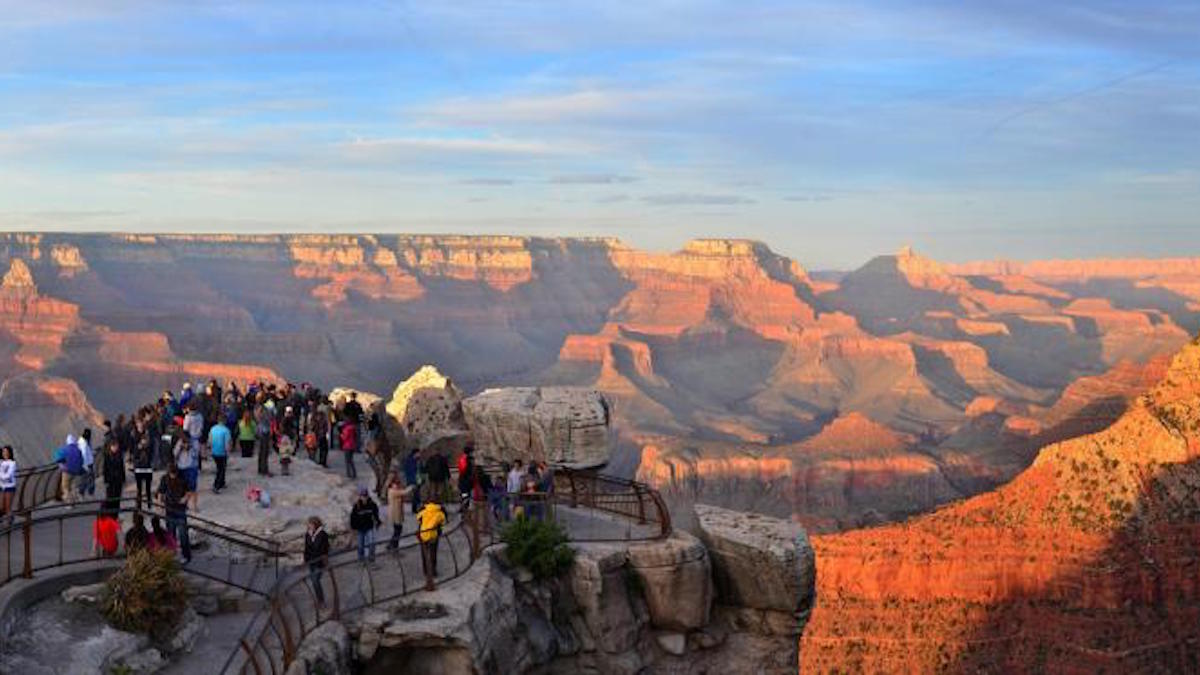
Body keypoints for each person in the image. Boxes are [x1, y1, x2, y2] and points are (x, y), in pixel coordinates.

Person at [157, 463, 191, 563]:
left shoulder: (183, 477)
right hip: (169, 509)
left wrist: (185, 499)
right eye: (171, 474)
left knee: (183, 534)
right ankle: (171, 554)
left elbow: (188, 491)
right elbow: (160, 492)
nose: (173, 476)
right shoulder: (164, 478)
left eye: (174, 474)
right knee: (171, 534)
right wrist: (160, 506)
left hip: (180, 510)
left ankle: (186, 555)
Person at [417, 498, 446, 589]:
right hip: (433, 535)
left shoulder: (423, 510)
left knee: (424, 553)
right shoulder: (439, 513)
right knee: (433, 553)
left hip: (423, 534)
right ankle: (433, 571)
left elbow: (418, 519)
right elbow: (443, 522)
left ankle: (425, 570)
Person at [303, 516, 330, 609]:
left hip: (319, 561)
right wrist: (305, 560)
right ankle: (319, 600)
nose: (309, 526)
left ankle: (321, 601)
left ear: (315, 524)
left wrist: (323, 558)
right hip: (311, 561)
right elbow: (306, 548)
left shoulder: (323, 534)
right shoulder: (308, 534)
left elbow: (325, 548)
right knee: (314, 581)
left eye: (310, 524)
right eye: (308, 524)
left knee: (315, 581)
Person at [349, 486, 381, 563]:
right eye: (363, 496)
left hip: (369, 527)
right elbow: (352, 518)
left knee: (372, 543)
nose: (364, 498)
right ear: (360, 497)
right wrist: (353, 528)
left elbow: (376, 515)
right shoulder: (356, 507)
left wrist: (378, 522)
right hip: (360, 529)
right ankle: (361, 559)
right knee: (360, 546)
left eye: (365, 496)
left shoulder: (372, 504)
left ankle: (371, 558)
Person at [172, 429, 199, 513]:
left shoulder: (194, 442)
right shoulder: (180, 442)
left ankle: (194, 506)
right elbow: (174, 453)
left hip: (191, 467)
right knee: (182, 488)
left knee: (193, 487)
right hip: (181, 467)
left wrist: (190, 448)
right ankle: (185, 504)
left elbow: (196, 454)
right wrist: (180, 448)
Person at [386, 473, 412, 551]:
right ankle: (392, 544)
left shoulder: (394, 489)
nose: (398, 485)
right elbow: (404, 492)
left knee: (398, 529)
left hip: (397, 513)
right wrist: (411, 487)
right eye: (396, 483)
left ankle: (394, 544)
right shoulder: (393, 491)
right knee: (398, 529)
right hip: (395, 514)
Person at [208, 417, 232, 493]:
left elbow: (210, 441)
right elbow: (227, 443)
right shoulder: (226, 430)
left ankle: (222, 483)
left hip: (214, 451)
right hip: (222, 452)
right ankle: (216, 485)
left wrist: (211, 450)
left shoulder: (213, 429)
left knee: (220, 467)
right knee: (221, 469)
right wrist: (228, 452)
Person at [60, 435, 84, 506]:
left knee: (65, 487)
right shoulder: (78, 450)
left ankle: (69, 503)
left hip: (67, 471)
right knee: (73, 486)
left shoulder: (64, 449)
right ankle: (74, 500)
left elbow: (57, 458)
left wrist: (61, 466)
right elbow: (82, 460)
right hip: (76, 471)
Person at [132, 434, 154, 511]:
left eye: (146, 440)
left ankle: (149, 504)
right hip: (139, 470)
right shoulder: (136, 448)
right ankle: (139, 505)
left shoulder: (149, 447)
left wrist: (146, 449)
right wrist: (139, 449)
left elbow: (151, 456)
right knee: (139, 489)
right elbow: (134, 458)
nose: (145, 442)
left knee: (148, 488)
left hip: (147, 469)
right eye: (143, 440)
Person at [255, 402, 273, 477]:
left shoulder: (258, 412)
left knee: (262, 452)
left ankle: (261, 469)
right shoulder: (262, 414)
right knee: (264, 452)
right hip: (264, 432)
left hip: (261, 432)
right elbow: (267, 421)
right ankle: (264, 469)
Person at [0, 446, 16, 521]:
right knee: (1, 507)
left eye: (6, 452)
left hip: (10, 487)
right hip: (2, 487)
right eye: (3, 451)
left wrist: (1, 475)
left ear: (10, 453)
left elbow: (8, 476)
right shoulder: (2, 462)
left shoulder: (12, 463)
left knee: (8, 508)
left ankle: (10, 524)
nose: (5, 453)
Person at [79, 429, 95, 498]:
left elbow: (88, 452)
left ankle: (89, 492)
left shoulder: (86, 442)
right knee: (85, 479)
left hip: (89, 463)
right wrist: (85, 467)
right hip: (86, 464)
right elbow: (84, 455)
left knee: (89, 478)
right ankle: (82, 493)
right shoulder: (83, 443)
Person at [403, 448, 421, 514]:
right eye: (418, 453)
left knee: (416, 494)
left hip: (417, 479)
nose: (419, 454)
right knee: (415, 494)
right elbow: (411, 471)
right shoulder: (410, 461)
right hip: (413, 480)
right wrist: (413, 480)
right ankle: (415, 508)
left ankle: (416, 508)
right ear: (415, 453)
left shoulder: (417, 460)